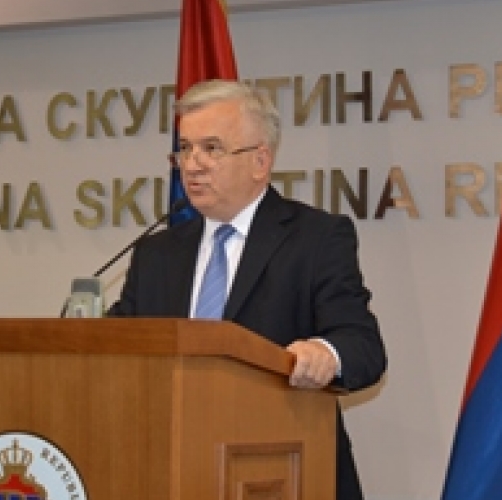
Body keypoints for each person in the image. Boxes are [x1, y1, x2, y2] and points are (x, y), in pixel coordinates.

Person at [108, 79, 386, 499]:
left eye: (211, 148)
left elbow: (363, 346)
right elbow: (119, 347)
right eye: (185, 148)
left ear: (260, 161)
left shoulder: (316, 238)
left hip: (284, 471)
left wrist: (325, 353)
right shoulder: (157, 253)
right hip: (170, 470)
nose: (192, 165)